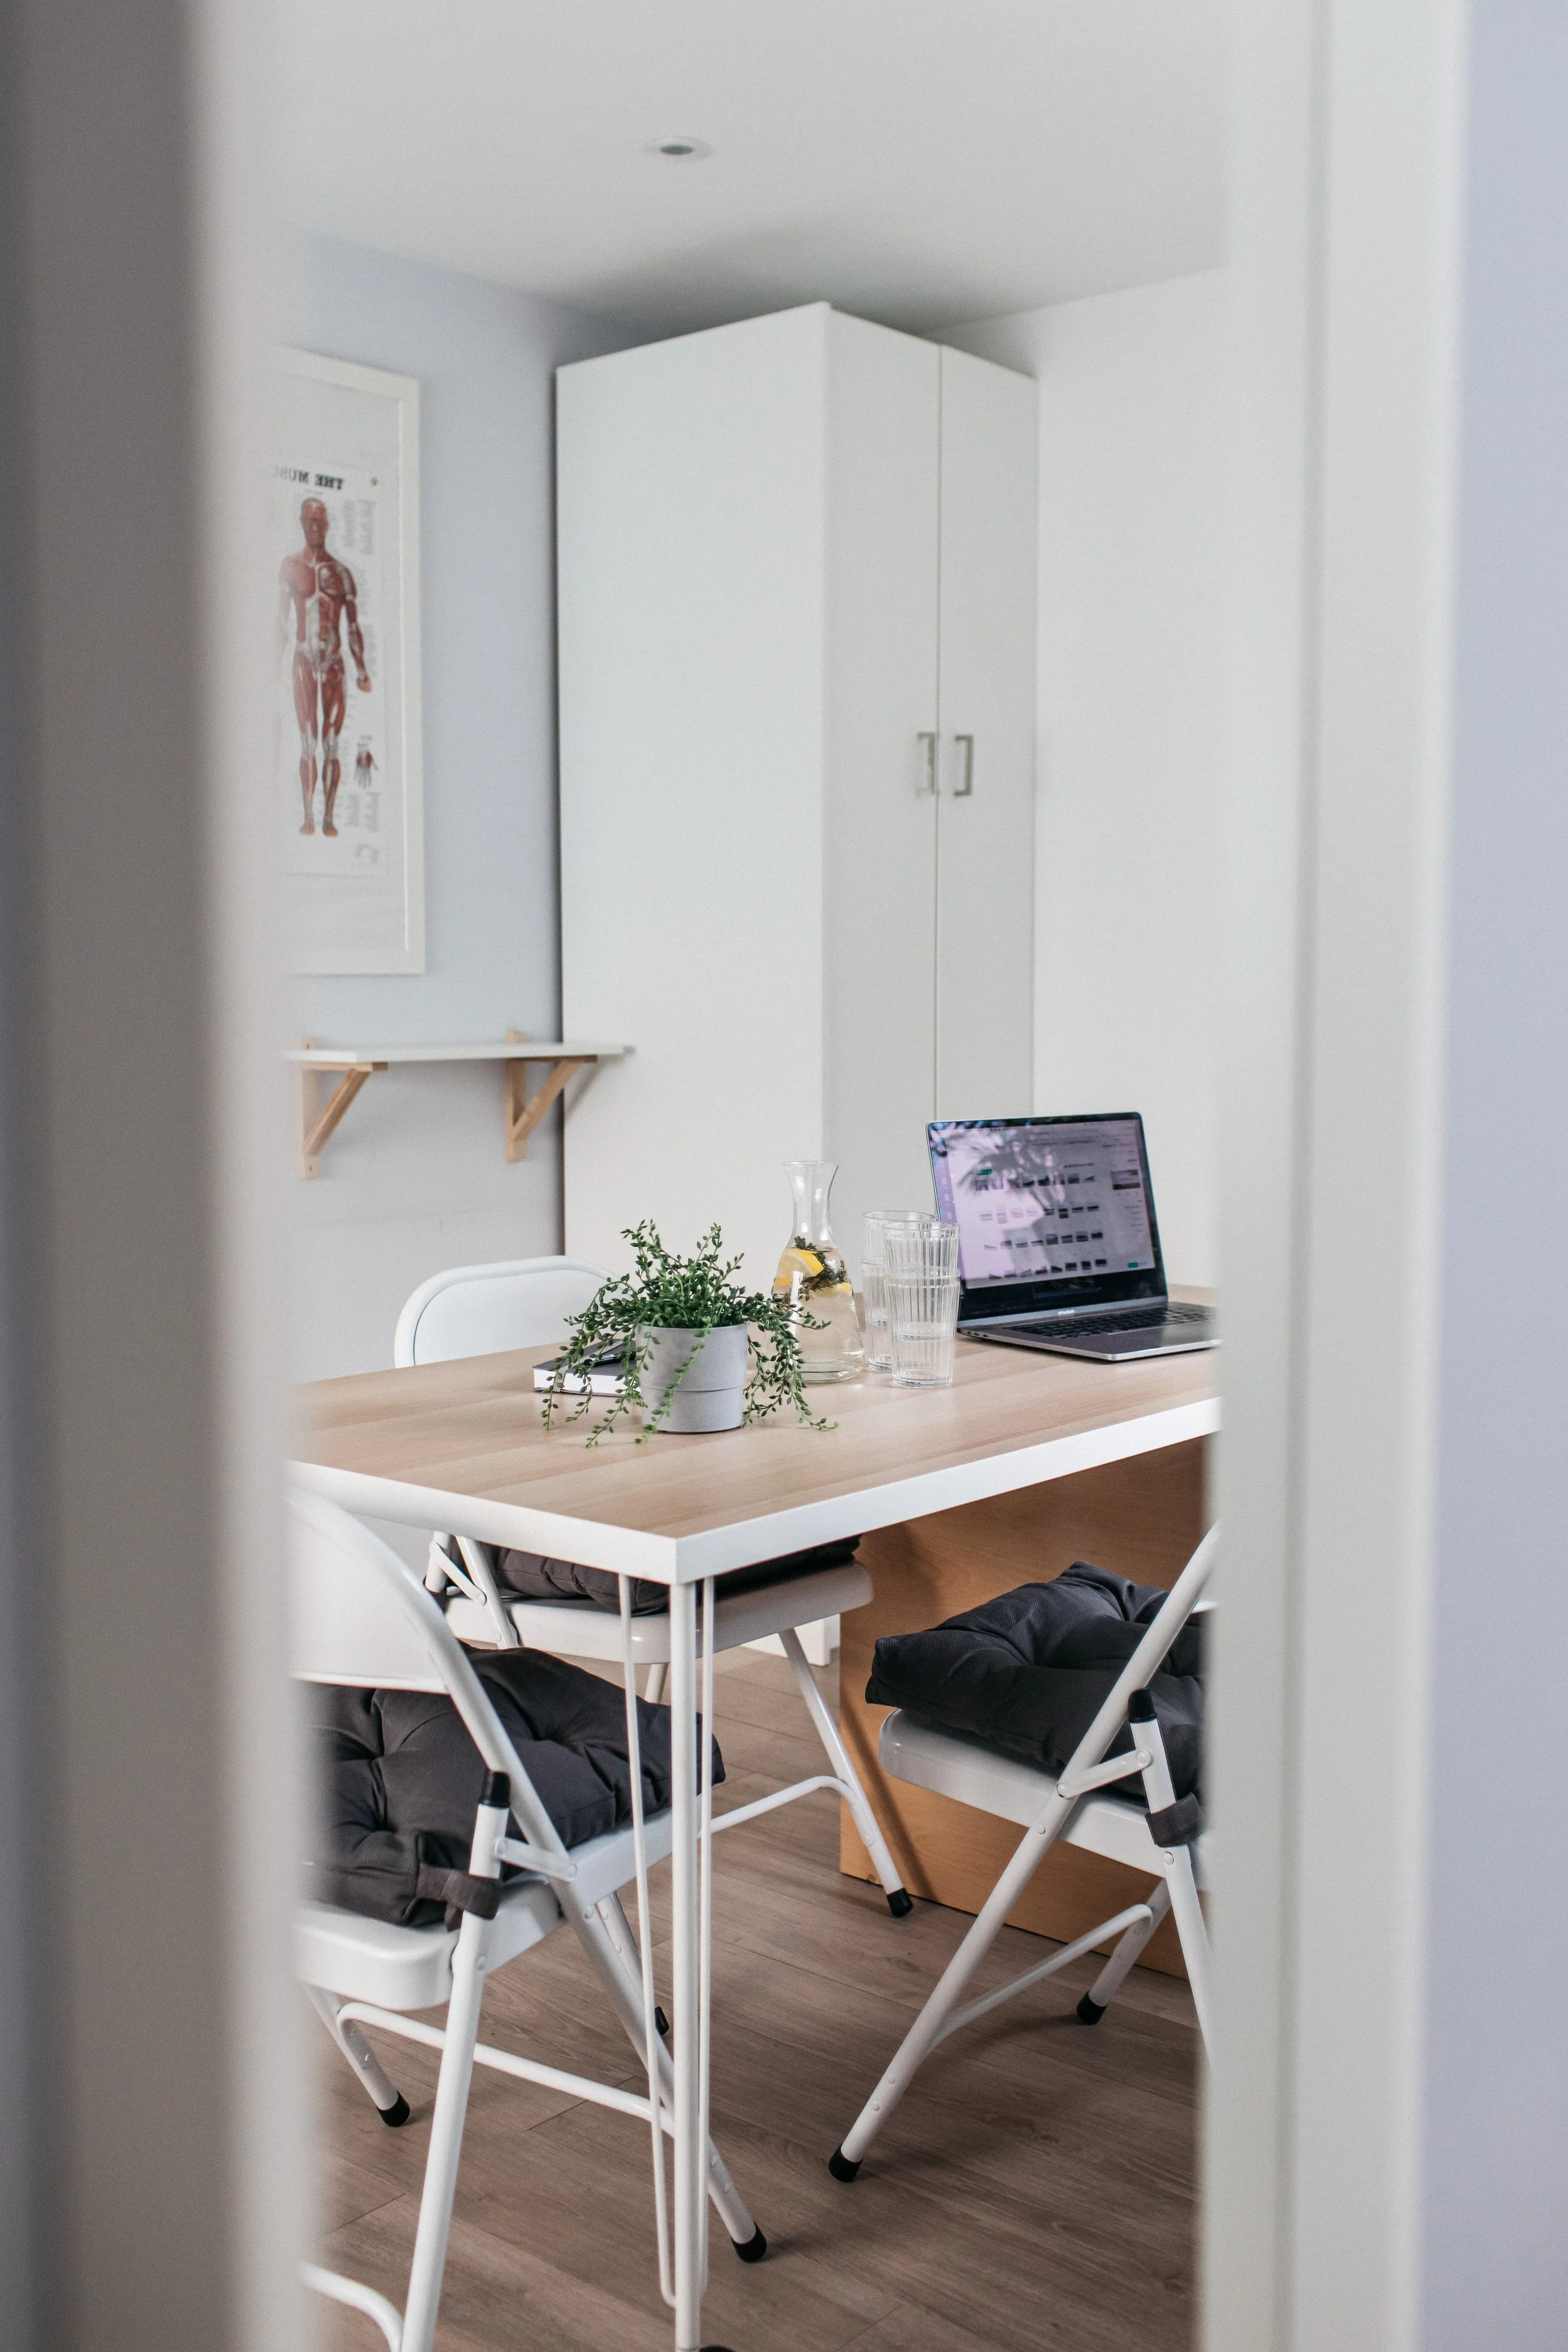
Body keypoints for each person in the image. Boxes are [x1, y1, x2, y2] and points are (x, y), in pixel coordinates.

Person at [277, 497, 371, 835]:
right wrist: (272, 662)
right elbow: (282, 620)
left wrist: (362, 670)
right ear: (302, 524)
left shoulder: (342, 574)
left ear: (328, 525)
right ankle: (308, 816)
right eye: (309, 521)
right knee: (308, 741)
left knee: (331, 742)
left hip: (333, 663)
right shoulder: (290, 567)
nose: (315, 528)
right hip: (304, 658)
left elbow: (353, 627)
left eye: (320, 522)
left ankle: (329, 818)